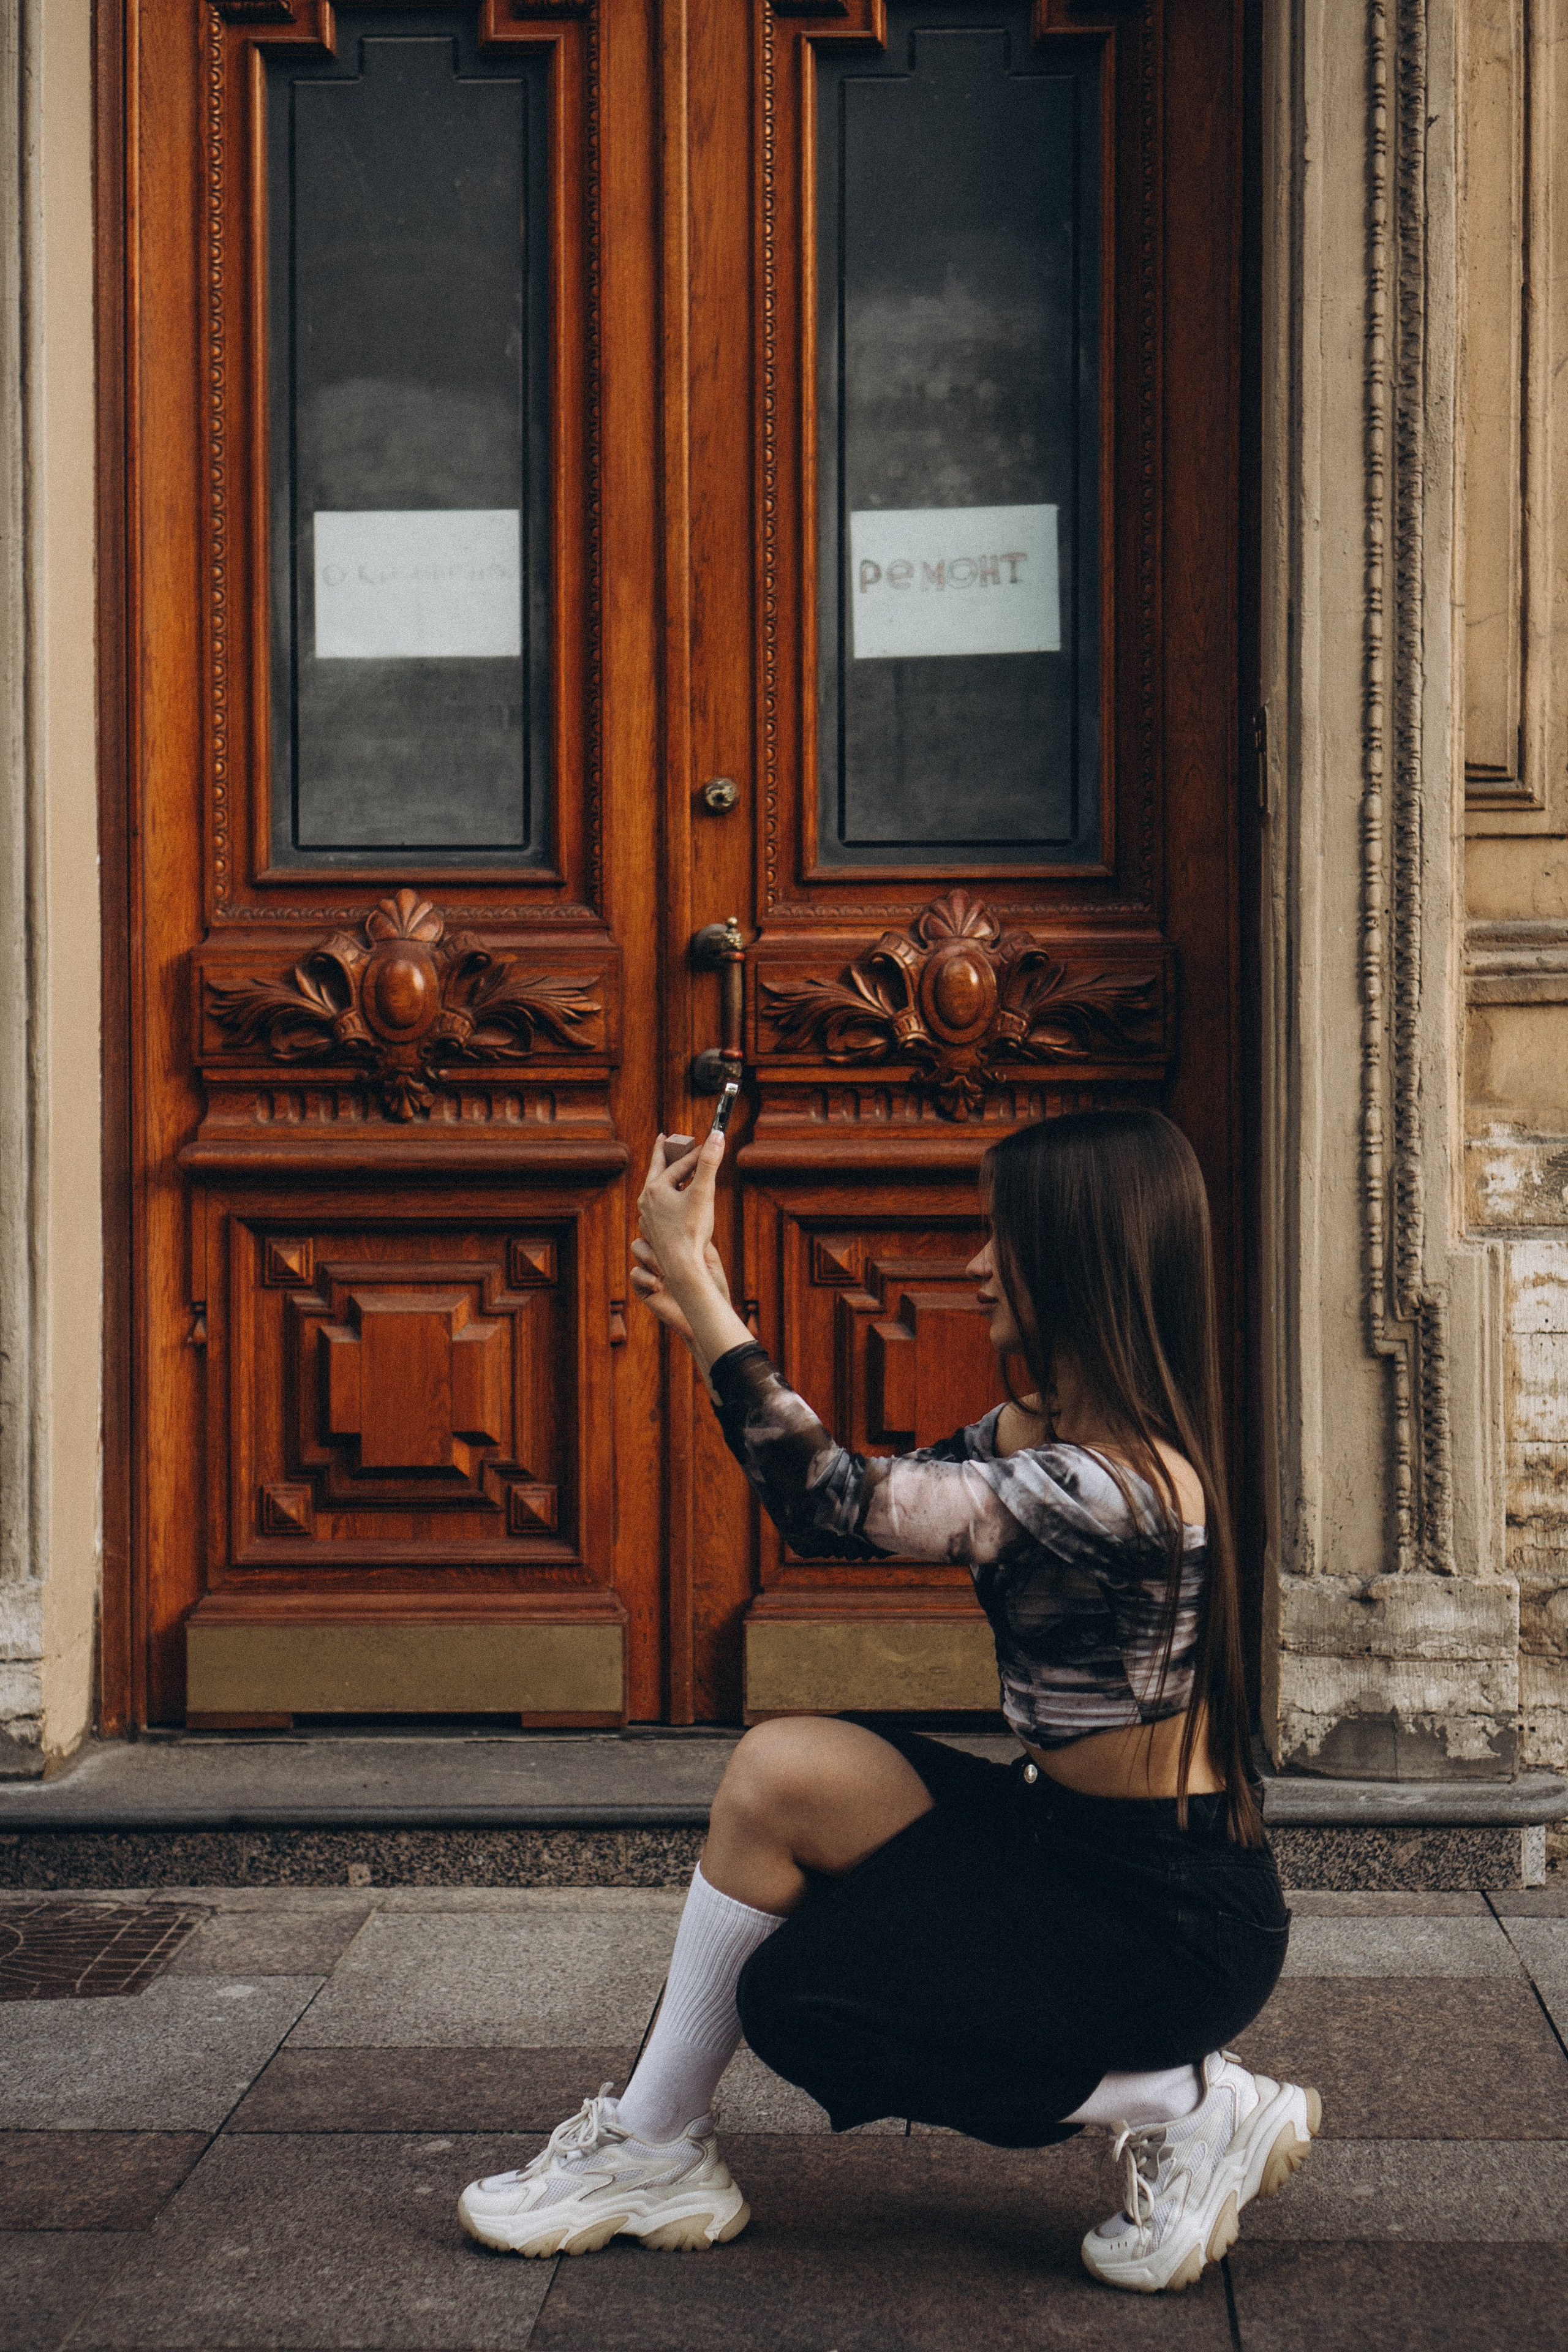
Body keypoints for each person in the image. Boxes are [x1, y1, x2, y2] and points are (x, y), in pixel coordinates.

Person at [457, 1108, 1320, 2294]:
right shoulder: (1044, 1442)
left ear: (1071, 1257)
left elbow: (831, 1500)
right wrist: (706, 1290)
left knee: (804, 2005)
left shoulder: (1119, 1489)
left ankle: (1184, 2102)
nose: (973, 1266)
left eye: (996, 1239)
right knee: (781, 1775)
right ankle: (653, 2147)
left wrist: (708, 1306)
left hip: (1162, 1924)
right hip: (1063, 1843)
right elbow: (855, 1503)